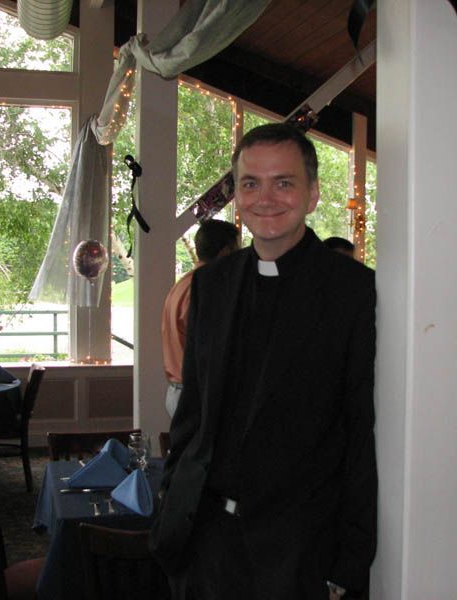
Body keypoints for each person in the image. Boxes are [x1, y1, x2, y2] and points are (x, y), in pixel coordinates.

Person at [150, 123, 377, 600]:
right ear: (237, 196)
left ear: (313, 194)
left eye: (284, 183)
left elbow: (359, 430)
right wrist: (172, 500)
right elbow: (193, 412)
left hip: (296, 549)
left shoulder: (353, 290)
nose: (265, 199)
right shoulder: (211, 285)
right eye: (251, 183)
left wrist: (351, 559)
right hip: (205, 541)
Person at [161, 219, 240, 419]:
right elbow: (210, 346)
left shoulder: (183, 284)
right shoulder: (207, 289)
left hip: (178, 390)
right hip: (197, 396)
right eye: (238, 250)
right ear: (226, 252)